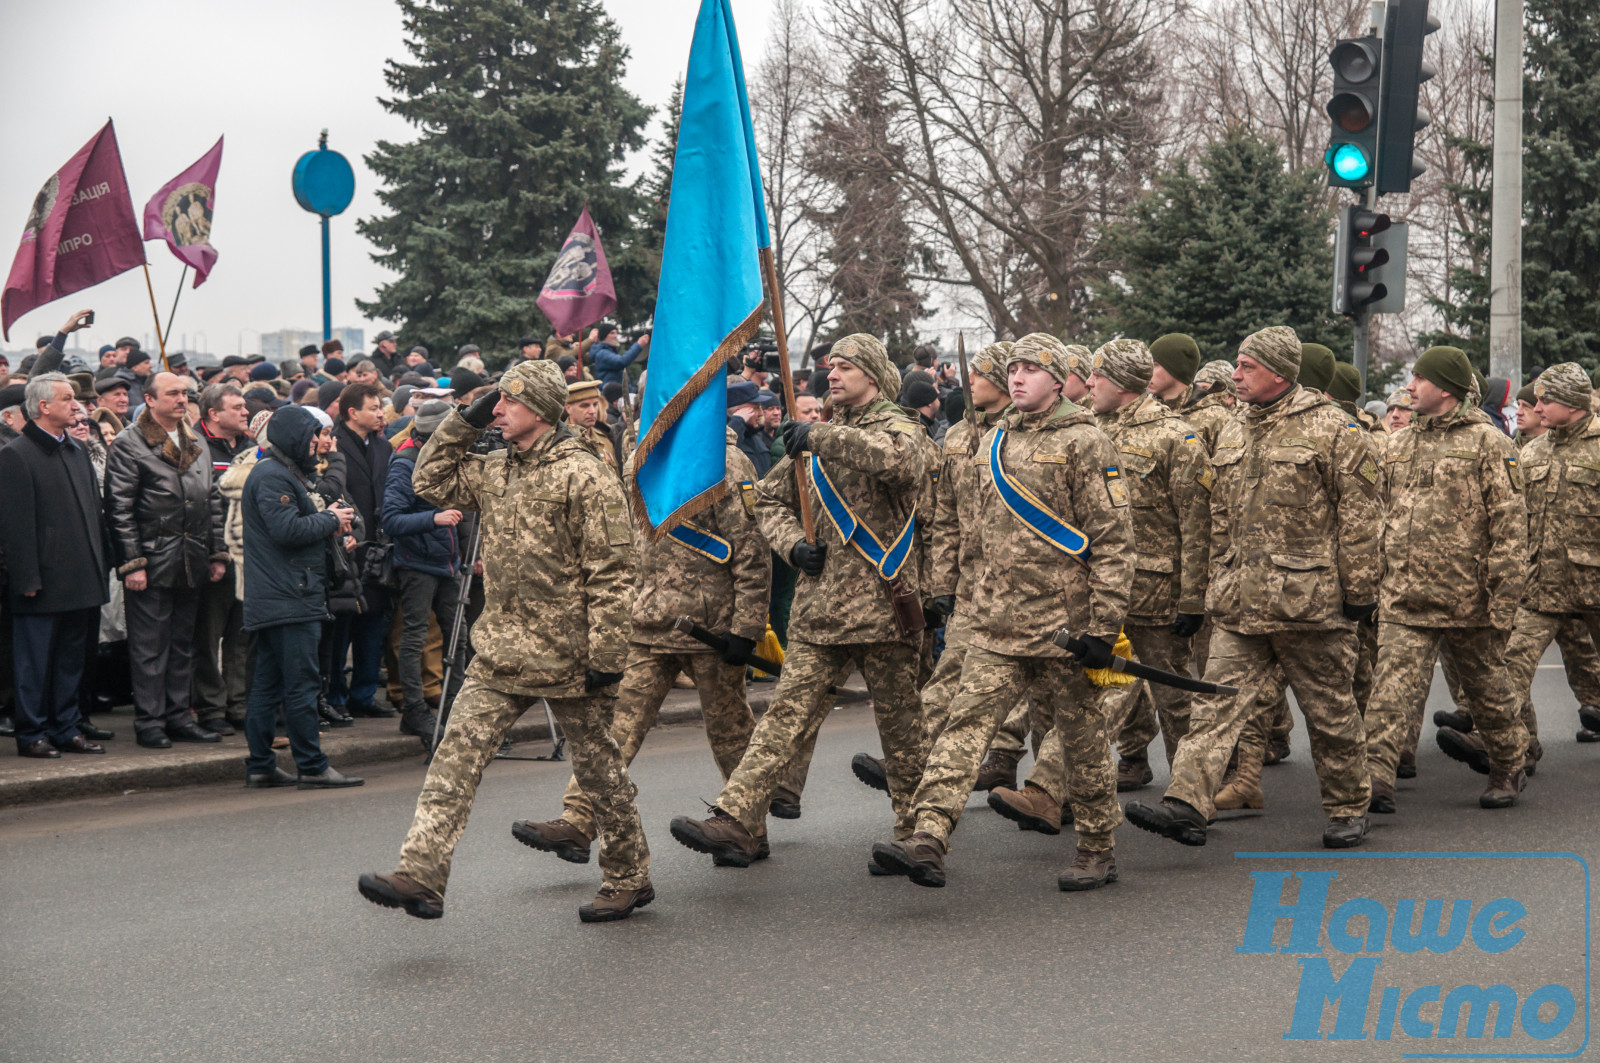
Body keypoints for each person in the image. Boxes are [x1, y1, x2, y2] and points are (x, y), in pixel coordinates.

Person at [359, 359, 650, 924]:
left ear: (539, 410)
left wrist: (608, 658)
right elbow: (428, 481)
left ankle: (630, 875)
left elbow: (614, 571)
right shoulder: (497, 468)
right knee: (454, 758)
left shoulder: (585, 475)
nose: (496, 410)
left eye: (507, 403)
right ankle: (421, 875)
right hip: (500, 649)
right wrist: (461, 422)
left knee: (600, 773)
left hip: (570, 654)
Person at [873, 334, 1132, 890]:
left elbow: (1113, 543)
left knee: (1081, 738)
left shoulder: (1087, 442)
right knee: (963, 730)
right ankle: (929, 836)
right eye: (1012, 368)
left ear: (1059, 381)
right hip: (995, 621)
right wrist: (957, 592)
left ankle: (1096, 846)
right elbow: (975, 532)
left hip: (1065, 626)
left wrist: (1104, 629)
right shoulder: (993, 440)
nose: (1016, 378)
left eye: (1030, 370)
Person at [669, 334, 930, 870]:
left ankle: (915, 836)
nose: (832, 374)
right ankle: (736, 819)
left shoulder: (899, 428)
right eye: (830, 366)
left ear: (875, 376)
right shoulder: (815, 439)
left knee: (902, 735)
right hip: (820, 613)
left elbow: (901, 464)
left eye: (846, 367)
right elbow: (767, 499)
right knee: (782, 721)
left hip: (885, 608)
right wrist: (792, 543)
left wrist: (819, 436)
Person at [1126, 326, 1381, 850]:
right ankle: (1188, 802)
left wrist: (1359, 592)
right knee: (1215, 704)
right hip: (1240, 602)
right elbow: (1218, 512)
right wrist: (1218, 576)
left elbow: (1361, 518)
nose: (1235, 376)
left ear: (1282, 374)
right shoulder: (1235, 428)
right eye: (1237, 365)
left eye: (1248, 367)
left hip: (1310, 604)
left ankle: (1349, 805)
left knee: (1330, 710)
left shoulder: (1335, 429)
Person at [512, 424, 770, 865]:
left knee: (730, 733)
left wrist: (747, 629)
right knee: (613, 731)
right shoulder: (639, 461)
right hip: (646, 623)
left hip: (710, 626)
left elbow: (752, 552)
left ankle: (746, 827)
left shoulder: (723, 462)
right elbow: (630, 544)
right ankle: (578, 822)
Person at [1363, 346, 1529, 813]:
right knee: (1388, 694)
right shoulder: (1397, 444)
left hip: (1467, 599)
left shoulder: (1489, 443)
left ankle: (1508, 763)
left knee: (1488, 692)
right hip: (1404, 597)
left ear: (1447, 389)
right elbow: (1381, 515)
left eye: (1420, 378)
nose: (1410, 387)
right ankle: (1374, 781)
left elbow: (1510, 527)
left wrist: (1503, 601)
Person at [1079, 340, 1209, 792]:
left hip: (1156, 593)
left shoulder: (1175, 436)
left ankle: (1191, 791)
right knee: (1093, 692)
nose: (1089, 383)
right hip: (1095, 590)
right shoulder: (1084, 431)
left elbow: (1197, 525)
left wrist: (1193, 599)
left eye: (1097, 376)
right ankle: (1081, 787)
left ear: (1121, 383)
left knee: (1175, 699)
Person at [1483, 363, 1600, 778]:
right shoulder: (1532, 451)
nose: (1539, 405)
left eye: (1547, 399)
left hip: (1594, 587)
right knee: (1510, 666)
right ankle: (1509, 760)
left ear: (1573, 403)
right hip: (1541, 588)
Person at [239, 405, 364, 790]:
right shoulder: (272, 476)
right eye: (312, 437)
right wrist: (331, 520)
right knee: (301, 685)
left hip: (286, 594)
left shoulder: (284, 473)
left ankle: (261, 766)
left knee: (268, 683)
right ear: (294, 436)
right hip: (289, 598)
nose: (318, 445)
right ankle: (312, 765)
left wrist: (330, 521)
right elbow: (287, 530)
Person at [105, 372, 229, 749]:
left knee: (181, 644)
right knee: (149, 648)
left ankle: (178, 716)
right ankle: (150, 721)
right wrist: (133, 562)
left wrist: (216, 552)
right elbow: (120, 509)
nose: (181, 398)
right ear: (150, 400)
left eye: (184, 393)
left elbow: (213, 500)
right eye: (172, 393)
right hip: (153, 557)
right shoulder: (130, 443)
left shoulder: (195, 439)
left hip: (191, 556)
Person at [0, 373, 109, 758]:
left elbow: (94, 516)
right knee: (34, 664)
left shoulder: (77, 450)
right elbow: (16, 526)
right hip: (42, 581)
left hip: (82, 578)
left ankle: (66, 727)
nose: (76, 406)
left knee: (70, 661)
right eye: (67, 399)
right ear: (43, 406)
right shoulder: (16, 455)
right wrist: (26, 577)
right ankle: (31, 732)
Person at [379, 401, 463, 743]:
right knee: (414, 638)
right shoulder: (405, 461)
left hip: (448, 561)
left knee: (458, 634)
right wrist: (433, 518)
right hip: (417, 563)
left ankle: (459, 708)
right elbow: (391, 519)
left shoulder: (445, 453)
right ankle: (414, 712)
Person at [330, 382, 395, 720]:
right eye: (374, 408)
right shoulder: (334, 446)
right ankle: (336, 697)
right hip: (346, 550)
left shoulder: (384, 448)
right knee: (342, 629)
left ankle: (364, 694)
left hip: (377, 554)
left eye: (382, 407)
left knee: (373, 626)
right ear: (353, 413)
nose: (381, 413)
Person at [192, 383, 254, 735]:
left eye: (245, 406)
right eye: (237, 407)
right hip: (214, 558)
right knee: (208, 637)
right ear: (213, 414)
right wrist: (215, 553)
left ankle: (238, 702)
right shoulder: (195, 447)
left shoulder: (251, 449)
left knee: (241, 636)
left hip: (249, 558)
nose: (245, 412)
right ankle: (210, 706)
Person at [726, 379, 773, 477]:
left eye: (760, 408)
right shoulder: (724, 439)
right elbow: (726, 453)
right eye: (755, 408)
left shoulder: (755, 436)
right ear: (738, 412)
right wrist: (737, 422)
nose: (761, 414)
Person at [1148, 333, 1202, 410]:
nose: (1147, 371)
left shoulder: (1214, 416)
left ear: (1175, 368)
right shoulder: (1143, 410)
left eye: (1155, 365)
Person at [589, 326, 648, 390]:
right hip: (612, 395)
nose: (615, 336)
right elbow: (621, 362)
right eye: (612, 333)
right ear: (604, 335)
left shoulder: (609, 352)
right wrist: (639, 345)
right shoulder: (602, 353)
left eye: (616, 333)